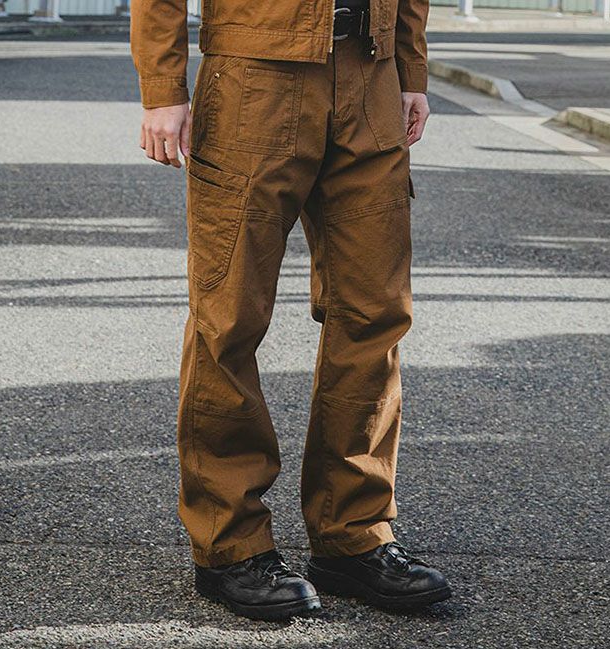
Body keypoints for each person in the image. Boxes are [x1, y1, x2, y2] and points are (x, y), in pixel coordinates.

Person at [130, 0, 451, 621]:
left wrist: (410, 69)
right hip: (255, 78)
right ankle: (229, 544)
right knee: (229, 320)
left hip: (370, 76)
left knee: (374, 315)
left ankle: (353, 534)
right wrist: (162, 88)